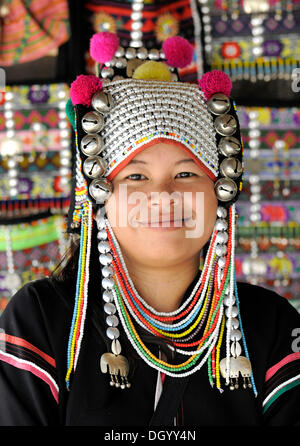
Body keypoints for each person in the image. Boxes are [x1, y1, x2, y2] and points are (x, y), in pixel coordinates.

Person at [0, 32, 299, 427]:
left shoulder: (270, 325)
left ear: (221, 193)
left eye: (186, 173)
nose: (162, 195)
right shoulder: (42, 320)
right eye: (136, 176)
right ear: (99, 195)